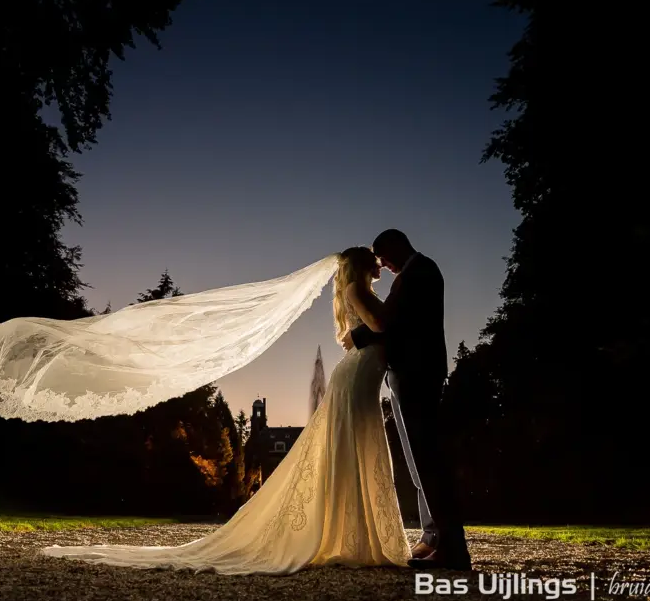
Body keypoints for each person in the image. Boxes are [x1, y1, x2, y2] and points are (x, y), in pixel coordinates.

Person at [41, 246, 412, 574]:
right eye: (374, 257)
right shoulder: (355, 289)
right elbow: (381, 324)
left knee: (357, 445)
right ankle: (350, 536)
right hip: (358, 374)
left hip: (362, 373)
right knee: (353, 444)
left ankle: (354, 535)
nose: (380, 262)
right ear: (363, 263)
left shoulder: (357, 289)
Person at [342, 229, 470, 571]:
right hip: (410, 372)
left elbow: (390, 321)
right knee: (419, 461)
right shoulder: (417, 272)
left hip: (417, 373)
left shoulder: (421, 271)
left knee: (428, 459)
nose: (383, 265)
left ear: (397, 245)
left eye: (383, 257)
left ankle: (451, 548)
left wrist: (355, 335)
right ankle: (435, 538)